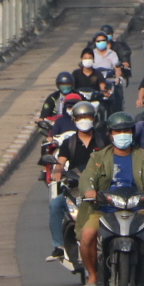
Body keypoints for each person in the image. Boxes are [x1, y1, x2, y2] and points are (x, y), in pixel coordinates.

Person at [78, 112, 144, 286]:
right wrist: (90, 190)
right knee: (87, 235)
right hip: (105, 209)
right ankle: (93, 276)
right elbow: (87, 179)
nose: (122, 134)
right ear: (110, 134)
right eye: (117, 131)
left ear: (132, 132)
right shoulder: (98, 157)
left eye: (126, 130)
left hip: (138, 209)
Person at [45, 101, 101, 268]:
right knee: (56, 205)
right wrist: (57, 172)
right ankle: (59, 246)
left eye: (88, 117)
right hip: (75, 189)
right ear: (74, 120)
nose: (84, 120)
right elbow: (60, 162)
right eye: (80, 117)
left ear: (94, 119)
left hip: (99, 189)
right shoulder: (69, 143)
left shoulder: (102, 139)